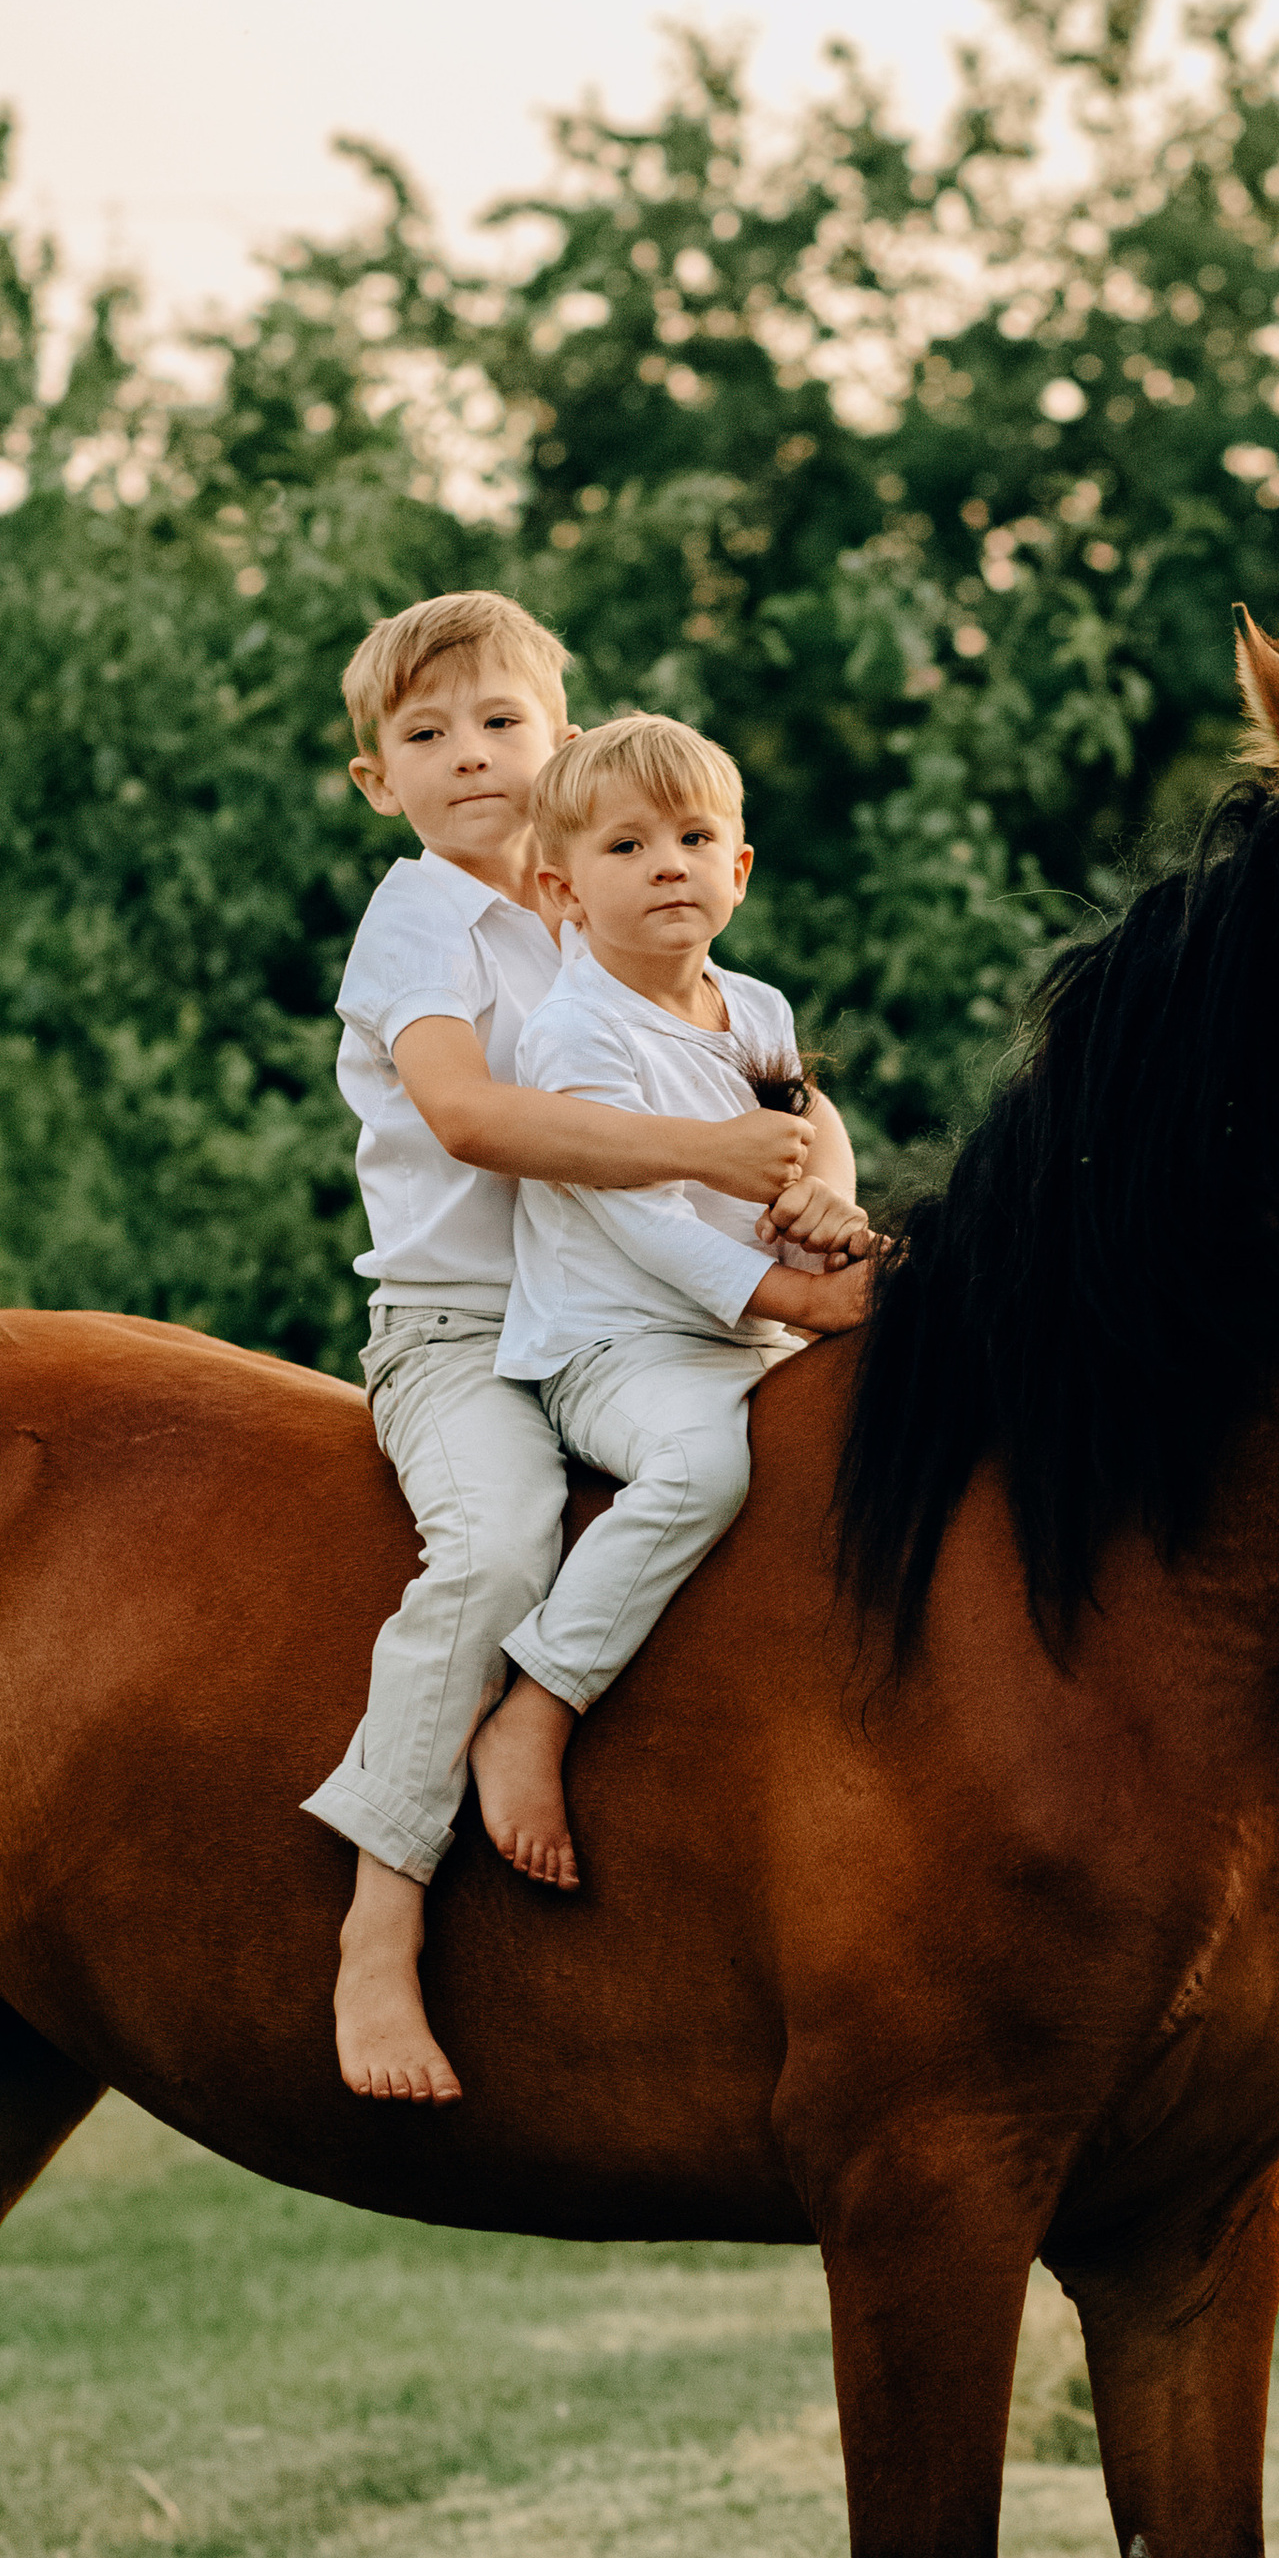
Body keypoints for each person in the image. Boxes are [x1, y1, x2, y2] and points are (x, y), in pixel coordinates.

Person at [302, 595, 855, 2109]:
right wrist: (719, 1169)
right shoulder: (421, 918)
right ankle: (381, 1916)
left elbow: (778, 1085)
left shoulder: (611, 894)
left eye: (502, 724)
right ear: (379, 782)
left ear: (562, 743)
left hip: (648, 1308)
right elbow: (475, 1120)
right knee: (491, 1550)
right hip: (468, 1327)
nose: (470, 758)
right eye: (427, 737)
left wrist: (817, 1194)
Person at [465, 713, 872, 1888]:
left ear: (737, 869)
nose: (667, 867)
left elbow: (797, 1140)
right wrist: (790, 1291)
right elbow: (632, 1217)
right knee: (704, 1473)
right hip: (611, 1346)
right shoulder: (573, 1034)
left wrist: (830, 1217)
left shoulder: (756, 1012)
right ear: (563, 891)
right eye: (626, 847)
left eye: (694, 838)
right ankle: (536, 1703)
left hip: (740, 1330)